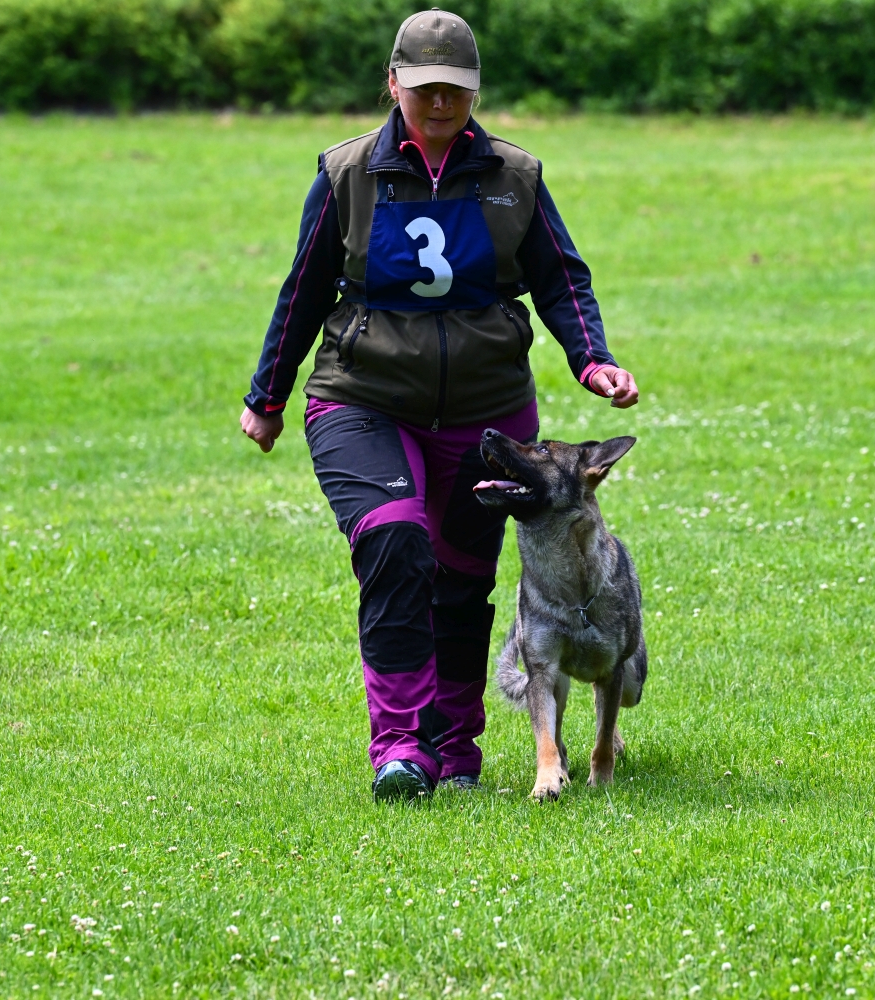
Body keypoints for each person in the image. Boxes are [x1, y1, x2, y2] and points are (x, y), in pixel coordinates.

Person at [239, 8, 639, 801]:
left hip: (487, 415)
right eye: (423, 88)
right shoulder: (348, 172)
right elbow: (306, 287)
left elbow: (562, 275)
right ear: (392, 85)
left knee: (461, 577)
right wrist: (269, 396)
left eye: (455, 89)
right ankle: (400, 745)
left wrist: (592, 358)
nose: (439, 103)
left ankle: (455, 744)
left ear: (474, 91)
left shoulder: (514, 176)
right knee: (394, 542)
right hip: (362, 399)